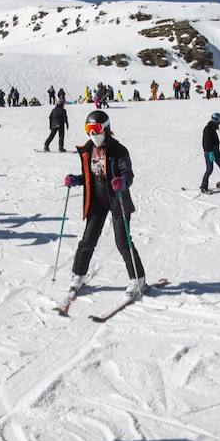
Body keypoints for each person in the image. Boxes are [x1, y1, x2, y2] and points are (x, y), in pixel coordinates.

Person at [63, 111, 146, 300]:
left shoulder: (119, 150)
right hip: (97, 201)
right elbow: (89, 176)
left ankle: (138, 278)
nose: (92, 134)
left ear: (106, 128)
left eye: (96, 129)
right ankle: (79, 274)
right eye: (88, 129)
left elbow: (128, 174)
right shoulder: (88, 149)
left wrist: (122, 182)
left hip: (117, 199)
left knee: (122, 241)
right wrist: (76, 180)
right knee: (88, 240)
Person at [199, 112, 220, 193]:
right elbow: (206, 142)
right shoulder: (207, 129)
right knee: (209, 169)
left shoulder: (213, 128)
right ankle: (203, 186)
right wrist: (210, 152)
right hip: (209, 152)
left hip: (216, 151)